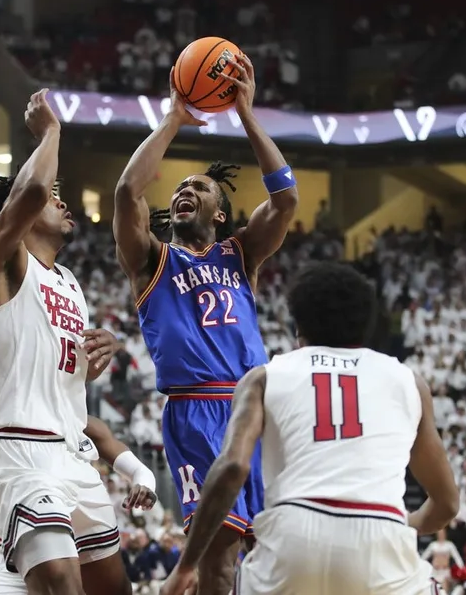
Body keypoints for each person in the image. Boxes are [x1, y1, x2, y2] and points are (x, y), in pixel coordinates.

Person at [113, 55, 298, 595]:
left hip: (256, 406)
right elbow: (127, 193)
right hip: (196, 410)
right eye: (178, 189)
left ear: (219, 214)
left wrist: (247, 116)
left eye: (198, 187)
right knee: (217, 557)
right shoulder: (151, 260)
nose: (183, 191)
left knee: (272, 551)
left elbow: (286, 198)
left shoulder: (240, 254)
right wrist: (174, 118)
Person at [161, 262, 460, 595]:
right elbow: (447, 505)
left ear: (298, 325)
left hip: (292, 535)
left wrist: (186, 565)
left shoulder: (263, 377)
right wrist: (397, 523)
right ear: (367, 325)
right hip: (379, 534)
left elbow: (232, 467)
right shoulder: (408, 381)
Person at [0, 89, 121, 595]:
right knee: (63, 582)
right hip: (21, 451)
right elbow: (27, 194)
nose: (61, 200)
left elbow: (57, 372)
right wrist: (51, 133)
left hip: (71, 454)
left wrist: (95, 358)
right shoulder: (1, 257)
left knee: (113, 588)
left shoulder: (68, 281)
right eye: (53, 195)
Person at [0, 411, 158, 595]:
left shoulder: (80, 420)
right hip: (17, 549)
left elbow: (137, 469)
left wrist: (144, 485)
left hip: (85, 546)